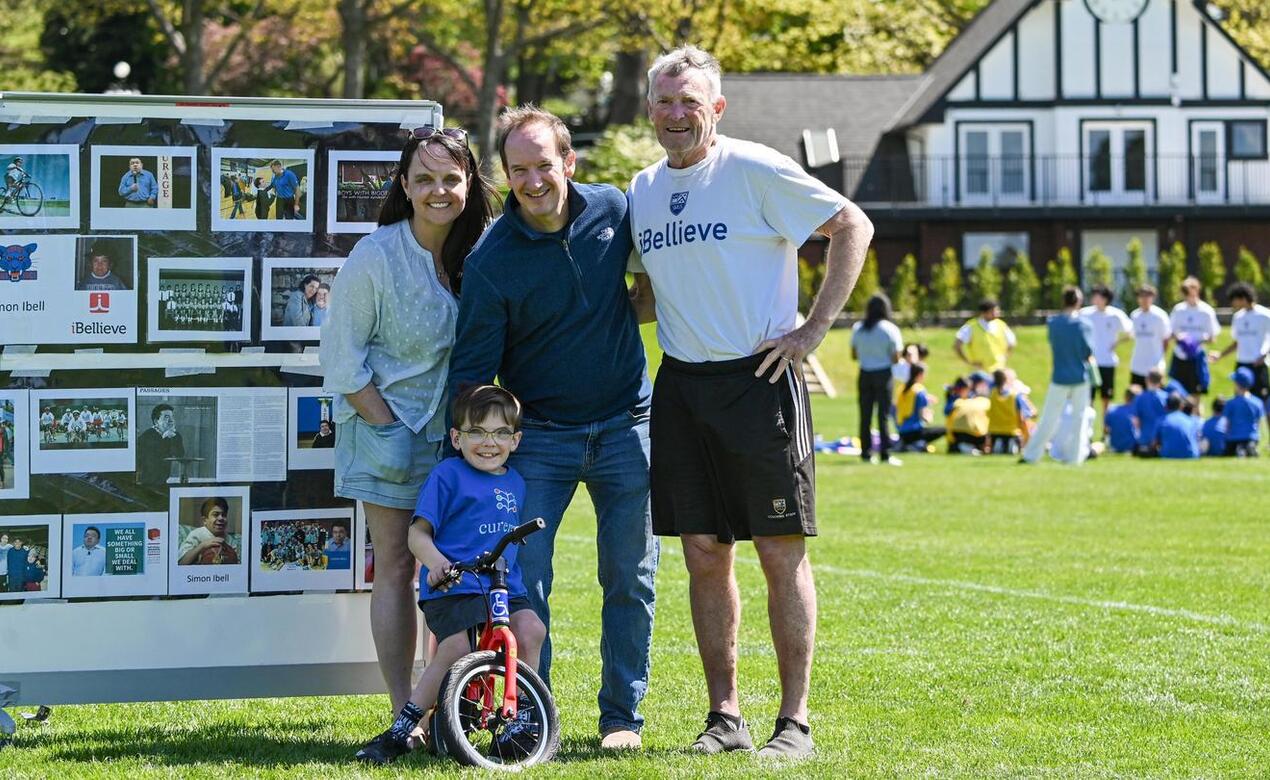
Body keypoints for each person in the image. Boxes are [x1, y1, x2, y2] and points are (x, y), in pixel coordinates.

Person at [626, 46, 874, 758]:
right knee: (704, 553)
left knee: (778, 550)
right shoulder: (643, 188)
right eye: (665, 102)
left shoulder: (754, 168)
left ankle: (793, 723)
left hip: (759, 381)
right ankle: (724, 718)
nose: (677, 115)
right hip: (680, 386)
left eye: (690, 102)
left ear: (717, 108)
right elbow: (648, 296)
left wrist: (814, 329)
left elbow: (851, 224)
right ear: (650, 109)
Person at [448, 105, 656, 750]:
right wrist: (473, 453)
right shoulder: (491, 259)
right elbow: (474, 372)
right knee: (523, 580)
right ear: (504, 176)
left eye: (543, 165)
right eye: (518, 170)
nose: (533, 180)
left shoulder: (615, 211)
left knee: (631, 575)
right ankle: (526, 718)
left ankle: (621, 717)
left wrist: (632, 306)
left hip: (629, 425)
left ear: (569, 161)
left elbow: (655, 283)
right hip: (539, 437)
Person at [321, 125, 496, 722]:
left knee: (456, 570)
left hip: (463, 443)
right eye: (424, 179)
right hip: (384, 431)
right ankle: (404, 711)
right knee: (397, 564)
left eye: (451, 178)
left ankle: (447, 702)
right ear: (404, 184)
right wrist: (390, 429)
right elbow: (340, 360)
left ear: (470, 183)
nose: (438, 190)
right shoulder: (376, 256)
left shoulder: (487, 252)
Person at [356, 385, 546, 764]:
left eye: (500, 433)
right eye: (476, 432)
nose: (488, 443)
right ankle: (405, 725)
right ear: (457, 438)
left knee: (531, 631)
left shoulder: (516, 482)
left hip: (503, 587)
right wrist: (437, 562)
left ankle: (520, 718)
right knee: (458, 647)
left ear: (516, 439)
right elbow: (417, 533)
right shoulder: (447, 476)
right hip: (455, 585)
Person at [1021, 286, 1095, 465]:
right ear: (1078, 301)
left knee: (1049, 417)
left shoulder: (1053, 324)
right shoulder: (1084, 325)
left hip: (1059, 376)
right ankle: (1076, 457)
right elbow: (1087, 351)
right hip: (1079, 376)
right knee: (1079, 418)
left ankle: (1032, 455)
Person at [851, 293, 904, 465]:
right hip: (883, 373)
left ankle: (866, 453)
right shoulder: (890, 329)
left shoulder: (858, 328)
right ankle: (885, 453)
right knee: (883, 415)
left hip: (865, 373)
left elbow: (854, 355)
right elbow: (896, 357)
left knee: (865, 414)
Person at [1213, 283, 1270, 408]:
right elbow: (1237, 343)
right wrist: (1220, 355)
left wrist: (1264, 355)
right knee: (1241, 402)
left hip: (1258, 365)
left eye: (1234, 300)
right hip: (1241, 365)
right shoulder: (1238, 317)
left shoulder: (1265, 315)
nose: (1233, 304)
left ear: (1243, 298)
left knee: (1265, 404)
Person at [1079, 285, 1132, 418]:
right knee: (1088, 397)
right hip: (1090, 362)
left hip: (1108, 362)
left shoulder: (1115, 314)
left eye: (1097, 295)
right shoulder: (1085, 313)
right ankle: (1088, 429)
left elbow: (1131, 332)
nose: (1094, 298)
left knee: (1106, 398)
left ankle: (1105, 428)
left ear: (1105, 298)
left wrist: (1117, 342)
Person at [1169, 277, 1220, 396]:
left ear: (1197, 290)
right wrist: (1181, 339)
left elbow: (1213, 337)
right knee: (1178, 393)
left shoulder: (1206, 311)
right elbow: (1172, 332)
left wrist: (1194, 342)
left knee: (1195, 395)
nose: (1188, 295)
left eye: (1190, 291)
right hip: (1180, 356)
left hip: (1196, 357)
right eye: (1185, 292)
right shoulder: (1179, 309)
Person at [954, 299, 1016, 372]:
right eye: (993, 311)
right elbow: (957, 345)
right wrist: (969, 362)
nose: (997, 313)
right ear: (984, 313)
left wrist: (1005, 358)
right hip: (980, 373)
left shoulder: (1001, 325)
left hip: (999, 371)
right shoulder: (971, 326)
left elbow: (1012, 343)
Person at [1128, 285, 1172, 387]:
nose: (1144, 299)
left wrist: (1160, 356)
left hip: (1155, 365)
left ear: (1152, 298)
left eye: (1147, 296)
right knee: (1137, 398)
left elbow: (1166, 338)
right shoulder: (1135, 315)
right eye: (1141, 296)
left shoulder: (1160, 316)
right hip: (1137, 364)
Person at [894, 363, 944, 451]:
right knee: (944, 430)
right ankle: (917, 444)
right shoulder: (920, 390)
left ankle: (909, 444)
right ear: (920, 374)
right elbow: (923, 417)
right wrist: (930, 416)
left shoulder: (902, 389)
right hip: (915, 432)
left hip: (901, 431)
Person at [177, 497, 240, 565]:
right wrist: (202, 546)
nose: (221, 518)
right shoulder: (197, 534)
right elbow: (182, 562)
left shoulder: (230, 539)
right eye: (216, 514)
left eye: (224, 515)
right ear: (205, 520)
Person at [136, 403, 184, 487]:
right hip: (146, 484)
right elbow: (154, 458)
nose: (171, 420)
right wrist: (165, 438)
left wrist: (173, 438)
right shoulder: (147, 436)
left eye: (172, 417)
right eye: (166, 417)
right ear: (156, 421)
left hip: (163, 482)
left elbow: (180, 455)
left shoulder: (175, 435)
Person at [1222, 367, 1264, 457]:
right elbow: (1259, 423)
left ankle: (1240, 450)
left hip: (1233, 437)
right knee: (1248, 446)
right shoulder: (1258, 403)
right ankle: (1247, 449)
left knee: (1228, 452)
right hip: (1251, 437)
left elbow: (1227, 424)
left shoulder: (1230, 403)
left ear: (1238, 385)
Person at [945, 376, 990, 454]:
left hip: (973, 431)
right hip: (960, 431)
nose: (968, 392)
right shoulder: (954, 399)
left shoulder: (970, 398)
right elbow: (947, 411)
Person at [1132, 370, 1170, 456]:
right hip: (1162, 441)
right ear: (1161, 380)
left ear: (1147, 380)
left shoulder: (1139, 398)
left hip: (1144, 440)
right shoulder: (1166, 397)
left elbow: (1136, 422)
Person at [987, 369, 1024, 454]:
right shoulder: (1015, 395)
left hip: (994, 433)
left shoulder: (991, 395)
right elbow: (1021, 417)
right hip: (1011, 432)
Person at [1155, 394, 1200, 459]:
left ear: (1166, 406)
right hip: (1191, 455)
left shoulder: (1161, 421)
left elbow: (1154, 443)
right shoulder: (1191, 420)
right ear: (1181, 406)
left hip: (1168, 455)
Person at [1103, 387, 1140, 454]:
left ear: (1125, 397)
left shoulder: (1112, 410)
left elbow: (1106, 430)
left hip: (1114, 446)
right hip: (1132, 447)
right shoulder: (1137, 413)